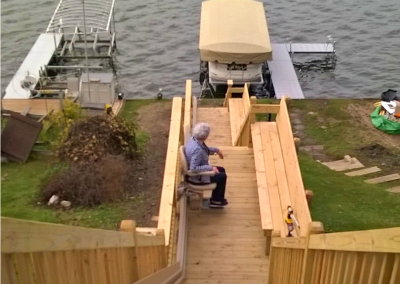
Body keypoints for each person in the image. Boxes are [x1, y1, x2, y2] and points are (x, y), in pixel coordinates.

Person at [185, 122, 228, 208]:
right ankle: (216, 202)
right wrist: (210, 167)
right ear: (206, 136)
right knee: (222, 176)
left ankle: (216, 198)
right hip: (197, 178)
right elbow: (193, 168)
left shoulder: (194, 140)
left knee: (221, 170)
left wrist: (216, 150)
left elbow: (205, 149)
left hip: (199, 171)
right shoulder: (197, 150)